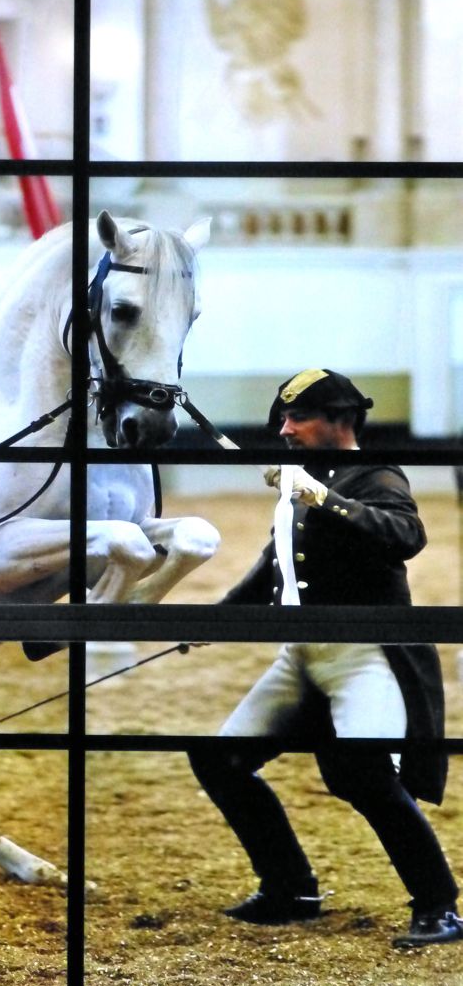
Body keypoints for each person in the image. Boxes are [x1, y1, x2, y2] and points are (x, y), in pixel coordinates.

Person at [188, 368, 461, 949]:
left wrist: (323, 498)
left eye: (298, 419)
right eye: (282, 420)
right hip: (302, 655)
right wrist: (212, 620)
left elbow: (404, 535)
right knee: (220, 761)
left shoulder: (377, 475)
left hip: (363, 656)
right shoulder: (299, 481)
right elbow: (275, 563)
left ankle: (439, 907)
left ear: (341, 421)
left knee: (361, 774)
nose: (285, 430)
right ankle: (290, 888)